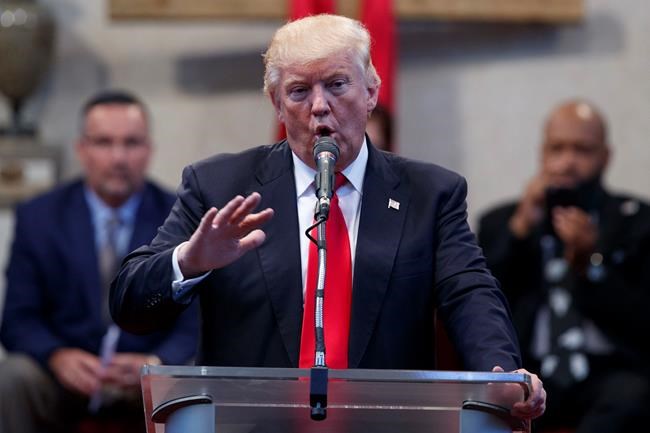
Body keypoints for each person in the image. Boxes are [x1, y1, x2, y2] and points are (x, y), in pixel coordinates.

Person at [111, 14, 545, 422]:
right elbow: (131, 307)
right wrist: (189, 261)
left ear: (372, 90)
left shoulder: (430, 194)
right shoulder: (220, 187)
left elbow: (469, 292)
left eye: (337, 85)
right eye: (299, 91)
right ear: (277, 105)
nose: (319, 106)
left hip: (386, 425)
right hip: (249, 424)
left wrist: (500, 374)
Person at [0, 90, 199, 433]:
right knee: (14, 376)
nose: (118, 157)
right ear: (82, 149)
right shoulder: (39, 217)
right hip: (64, 378)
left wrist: (156, 363)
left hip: (149, 378)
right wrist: (56, 356)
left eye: (131, 143)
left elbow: (198, 321)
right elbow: (18, 318)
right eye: (104, 142)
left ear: (149, 149)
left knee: (196, 375)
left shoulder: (181, 216)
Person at [477, 99, 650, 432]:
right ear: (542, 153)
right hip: (533, 372)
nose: (568, 162)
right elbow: (480, 302)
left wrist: (591, 264)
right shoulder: (503, 222)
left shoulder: (637, 222)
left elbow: (643, 323)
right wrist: (521, 229)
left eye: (582, 150)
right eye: (558, 149)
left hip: (608, 373)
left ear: (605, 157)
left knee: (633, 396)